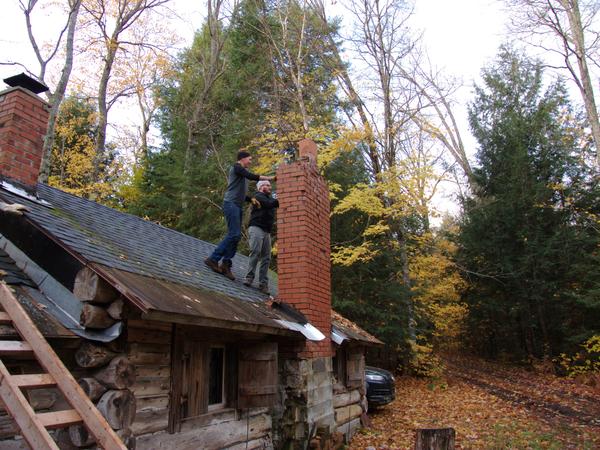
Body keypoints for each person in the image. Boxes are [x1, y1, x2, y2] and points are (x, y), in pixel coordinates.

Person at [205, 151, 275, 280]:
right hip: (230, 203)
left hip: (237, 205)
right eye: (249, 159)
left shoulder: (241, 174)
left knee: (236, 236)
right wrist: (269, 178)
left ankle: (226, 264)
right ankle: (213, 259)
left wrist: (250, 199)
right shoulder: (237, 167)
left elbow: (239, 191)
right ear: (242, 159)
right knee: (234, 234)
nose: (250, 161)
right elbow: (250, 176)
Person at [244, 180, 279, 294]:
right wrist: (280, 199)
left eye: (270, 185)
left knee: (266, 257)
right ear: (260, 187)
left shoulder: (270, 198)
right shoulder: (258, 196)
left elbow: (274, 203)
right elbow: (269, 204)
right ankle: (249, 278)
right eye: (267, 185)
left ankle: (263, 284)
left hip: (266, 231)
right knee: (255, 251)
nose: (269, 187)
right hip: (256, 228)